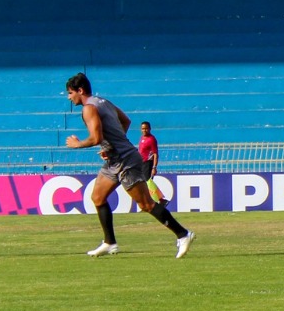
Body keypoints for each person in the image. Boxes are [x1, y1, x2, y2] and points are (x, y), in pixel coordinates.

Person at [63, 73, 194, 258]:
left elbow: (96, 138)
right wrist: (111, 146)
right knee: (98, 197)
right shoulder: (103, 101)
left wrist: (78, 144)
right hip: (114, 159)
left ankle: (183, 234)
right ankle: (109, 243)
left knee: (146, 204)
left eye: (70, 93)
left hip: (125, 160)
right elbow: (126, 120)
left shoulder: (89, 108)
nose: (69, 97)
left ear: (80, 90)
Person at [137, 119, 165, 203]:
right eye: (142, 128)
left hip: (147, 163)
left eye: (146, 128)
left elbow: (155, 154)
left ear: (149, 129)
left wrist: (154, 167)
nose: (144, 130)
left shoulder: (151, 139)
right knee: (145, 183)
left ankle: (160, 200)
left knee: (148, 182)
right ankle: (151, 201)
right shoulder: (142, 138)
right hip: (141, 163)